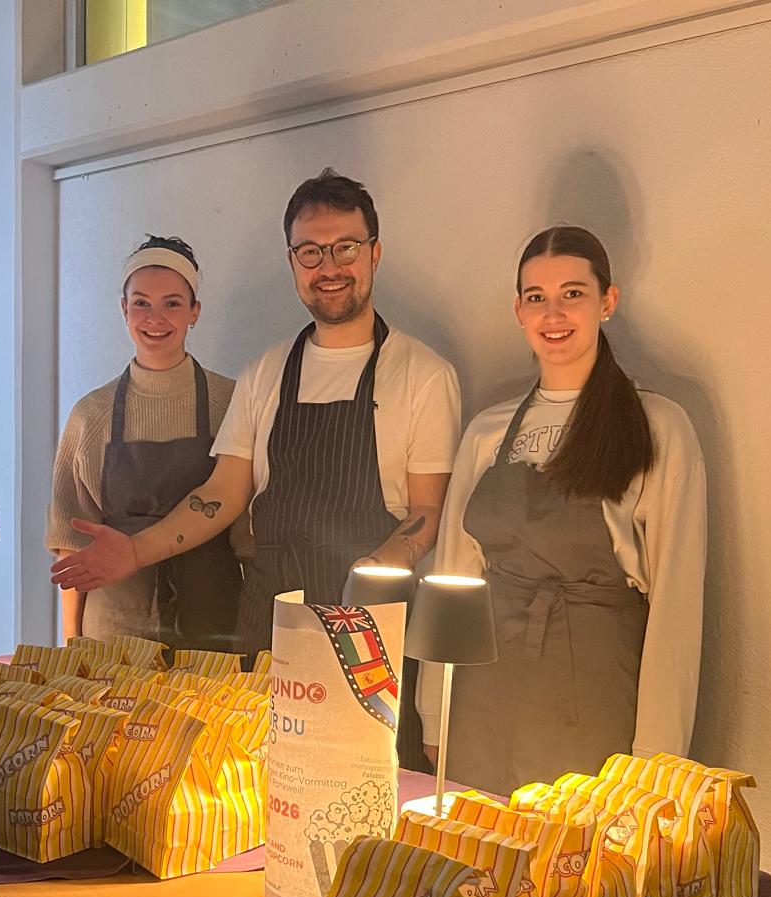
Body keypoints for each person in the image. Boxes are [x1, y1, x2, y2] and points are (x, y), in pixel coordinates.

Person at [52, 169, 461, 655]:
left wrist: (370, 581)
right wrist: (136, 551)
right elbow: (222, 493)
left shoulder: (424, 375)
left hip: (371, 622)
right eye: (310, 251)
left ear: (374, 252)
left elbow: (427, 511)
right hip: (268, 617)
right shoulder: (264, 374)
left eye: (345, 247)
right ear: (293, 261)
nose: (328, 266)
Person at [420, 225, 707, 795]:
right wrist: (435, 710)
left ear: (608, 301)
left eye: (573, 293)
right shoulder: (487, 430)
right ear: (519, 311)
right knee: (480, 864)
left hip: (595, 688)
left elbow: (677, 599)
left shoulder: (658, 426)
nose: (554, 313)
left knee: (577, 867)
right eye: (536, 297)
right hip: (484, 687)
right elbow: (451, 574)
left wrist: (659, 750)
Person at [45, 235, 244, 649]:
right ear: (124, 309)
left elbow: (249, 535)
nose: (156, 318)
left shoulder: (234, 402)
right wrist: (72, 645)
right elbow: (72, 547)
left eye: (172, 303)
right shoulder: (90, 415)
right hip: (115, 629)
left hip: (213, 622)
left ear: (195, 312)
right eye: (141, 303)